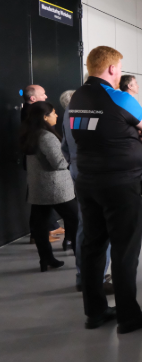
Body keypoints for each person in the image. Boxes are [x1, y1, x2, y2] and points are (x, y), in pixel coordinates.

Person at [70, 46, 142, 334]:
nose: (120, 73)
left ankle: (94, 312)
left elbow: (95, 130)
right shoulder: (119, 96)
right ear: (111, 69)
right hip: (121, 185)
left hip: (87, 182)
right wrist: (140, 135)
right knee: (125, 249)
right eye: (119, 68)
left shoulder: (77, 97)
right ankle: (128, 315)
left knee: (93, 247)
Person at [60, 90, 113, 293]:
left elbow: (65, 147)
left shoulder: (69, 112)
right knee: (102, 227)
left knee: (85, 225)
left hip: (78, 171)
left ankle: (84, 276)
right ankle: (96, 279)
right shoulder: (95, 109)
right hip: (98, 173)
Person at [20, 101, 79, 272]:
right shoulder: (46, 136)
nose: (57, 115)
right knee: (76, 221)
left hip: (39, 187)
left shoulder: (30, 134)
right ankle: (81, 257)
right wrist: (73, 156)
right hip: (55, 188)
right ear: (45, 117)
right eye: (53, 113)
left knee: (40, 226)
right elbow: (59, 162)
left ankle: (46, 259)